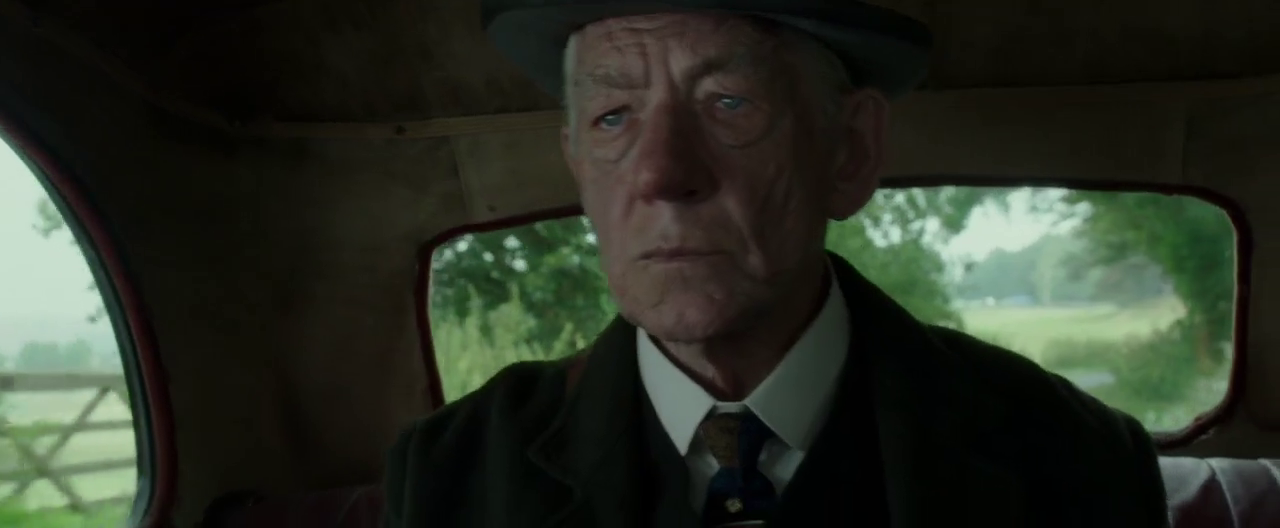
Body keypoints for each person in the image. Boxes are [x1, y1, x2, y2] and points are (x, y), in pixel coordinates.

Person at [383, 1, 1170, 526]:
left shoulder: (1074, 458)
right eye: (613, 117)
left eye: (729, 103)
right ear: (576, 166)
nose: (661, 173)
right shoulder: (453, 471)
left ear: (849, 150)